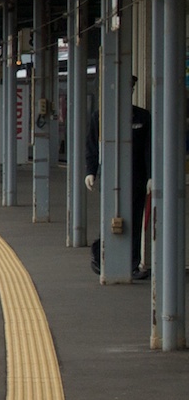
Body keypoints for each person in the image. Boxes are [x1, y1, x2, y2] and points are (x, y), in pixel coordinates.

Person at [84, 77, 151, 278]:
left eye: (129, 89)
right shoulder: (100, 117)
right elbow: (92, 147)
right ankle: (102, 253)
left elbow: (149, 149)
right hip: (110, 178)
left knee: (135, 221)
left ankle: (131, 264)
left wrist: (151, 175)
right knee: (111, 218)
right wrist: (91, 171)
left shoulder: (142, 117)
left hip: (137, 178)